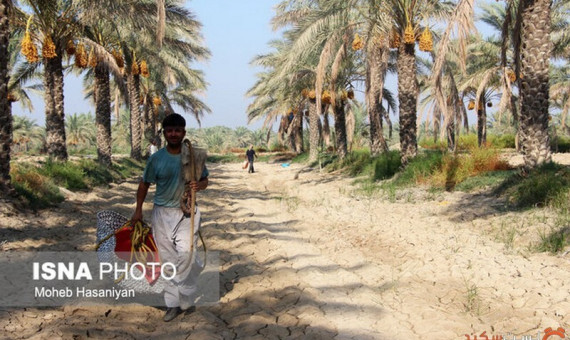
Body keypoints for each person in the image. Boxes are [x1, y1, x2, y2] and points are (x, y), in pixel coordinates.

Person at [132, 113, 209, 322]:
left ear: (184, 132)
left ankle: (186, 290)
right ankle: (172, 304)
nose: (173, 134)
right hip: (161, 214)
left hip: (187, 213)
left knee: (187, 255)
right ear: (164, 133)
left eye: (177, 130)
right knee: (167, 260)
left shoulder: (193, 155)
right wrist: (138, 210)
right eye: (169, 130)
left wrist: (198, 186)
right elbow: (144, 185)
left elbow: (205, 180)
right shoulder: (156, 159)